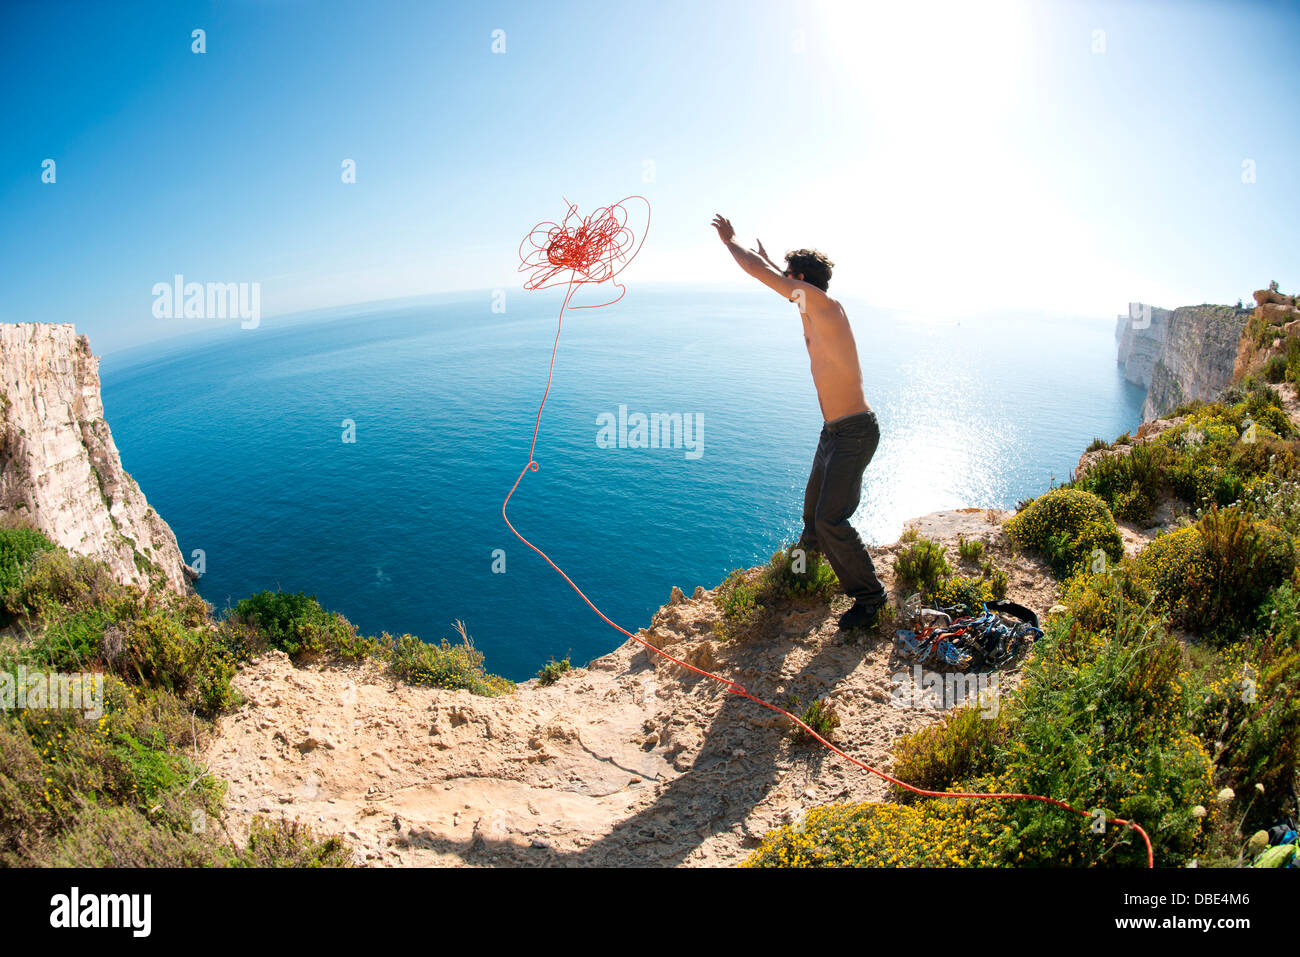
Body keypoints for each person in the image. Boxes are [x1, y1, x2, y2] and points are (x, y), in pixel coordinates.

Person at [711, 214, 888, 630]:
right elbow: (771, 273)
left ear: (802, 279)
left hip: (855, 433)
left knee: (831, 519)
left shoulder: (823, 306)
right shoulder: (814, 304)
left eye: (790, 279)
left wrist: (730, 241)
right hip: (834, 433)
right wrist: (772, 264)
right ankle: (799, 574)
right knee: (812, 516)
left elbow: (759, 272)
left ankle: (871, 599)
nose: (785, 286)